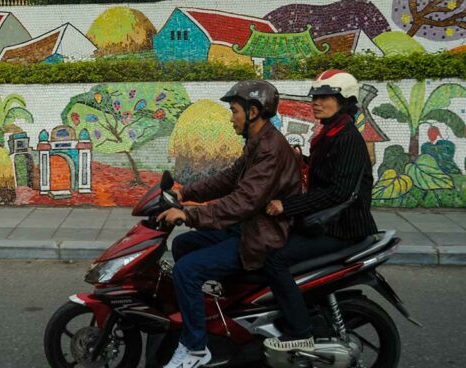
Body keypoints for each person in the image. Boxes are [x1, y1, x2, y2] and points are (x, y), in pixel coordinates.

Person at [157, 80, 301, 368]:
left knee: (187, 270)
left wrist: (189, 215)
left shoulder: (270, 150)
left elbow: (243, 202)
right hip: (247, 227)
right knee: (184, 245)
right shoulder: (258, 142)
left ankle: (196, 349)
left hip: (260, 237)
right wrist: (186, 192)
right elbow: (228, 179)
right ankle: (211, 316)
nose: (230, 117)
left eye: (234, 110)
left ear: (253, 112)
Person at [262, 70, 378, 354]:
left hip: (343, 228)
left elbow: (339, 192)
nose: (317, 102)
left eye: (326, 97)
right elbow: (326, 172)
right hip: (326, 222)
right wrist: (300, 159)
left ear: (345, 101)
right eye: (315, 96)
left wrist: (287, 206)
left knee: (274, 259)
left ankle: (299, 330)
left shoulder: (348, 137)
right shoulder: (330, 132)